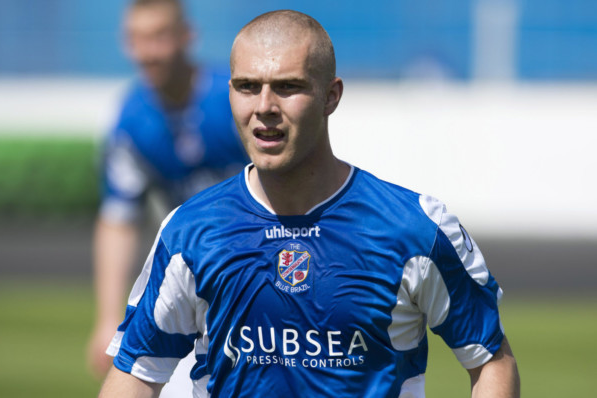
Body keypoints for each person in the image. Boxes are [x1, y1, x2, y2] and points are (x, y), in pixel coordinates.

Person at [99, 9, 520, 397]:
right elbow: (136, 373)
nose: (264, 107)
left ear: (331, 96)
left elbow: (490, 362)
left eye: (287, 87)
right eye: (248, 87)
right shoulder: (189, 232)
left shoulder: (413, 229)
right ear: (231, 93)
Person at [87, 0, 249, 378]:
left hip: (261, 262)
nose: (147, 52)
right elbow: (118, 219)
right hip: (194, 271)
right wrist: (108, 317)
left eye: (159, 37)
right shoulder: (129, 120)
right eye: (137, 39)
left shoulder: (235, 98)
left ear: (186, 36)